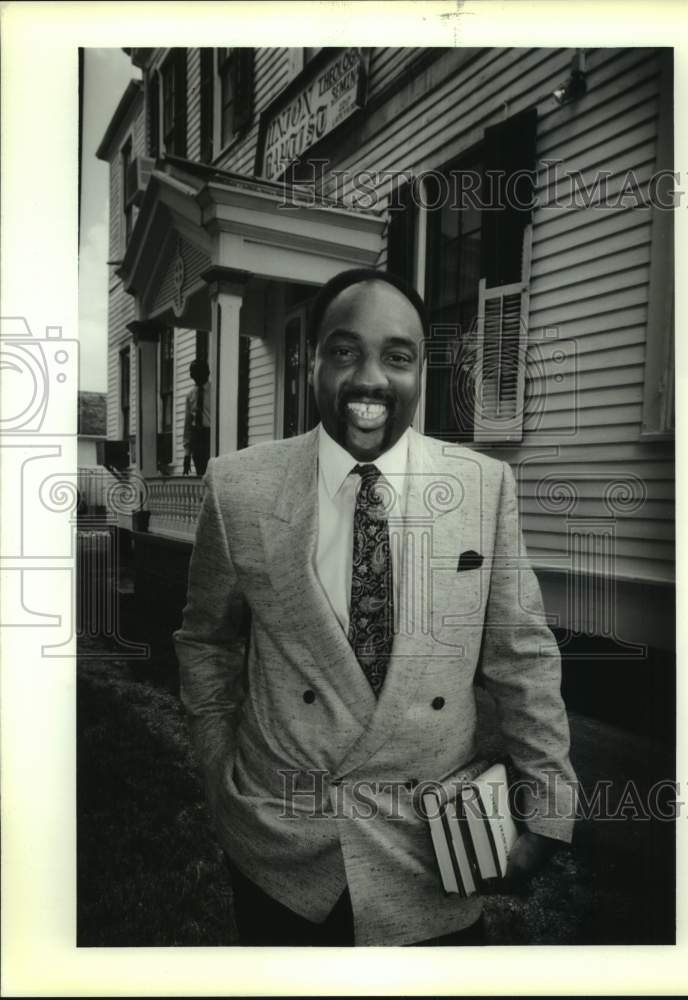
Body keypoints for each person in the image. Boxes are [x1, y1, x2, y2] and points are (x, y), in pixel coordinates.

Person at [174, 268, 576, 947]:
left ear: (421, 370)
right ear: (310, 363)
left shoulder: (483, 487)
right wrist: (220, 773)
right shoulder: (238, 486)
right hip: (282, 844)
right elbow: (206, 639)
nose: (368, 380)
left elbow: (521, 655)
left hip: (433, 852)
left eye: (397, 356)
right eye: (343, 350)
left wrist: (548, 804)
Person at [182, 359, 211, 476]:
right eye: (192, 374)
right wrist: (187, 454)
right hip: (197, 439)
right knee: (201, 476)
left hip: (211, 437)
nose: (193, 377)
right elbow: (188, 425)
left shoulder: (216, 391)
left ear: (206, 373)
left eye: (196, 373)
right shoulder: (190, 395)